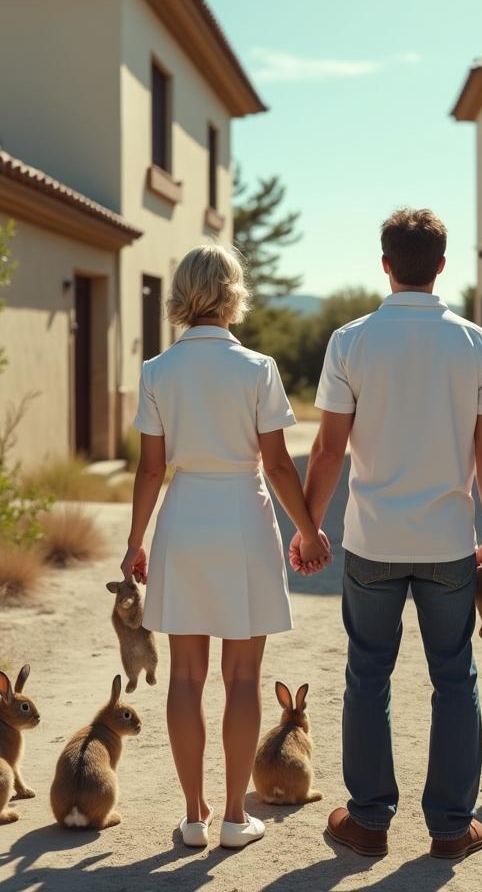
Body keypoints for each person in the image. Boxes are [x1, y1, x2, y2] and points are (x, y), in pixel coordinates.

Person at [290, 208, 482, 861]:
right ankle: (450, 827)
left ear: (384, 263)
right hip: (448, 543)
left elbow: (328, 451)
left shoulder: (350, 341)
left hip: (372, 543)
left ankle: (367, 823)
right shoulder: (478, 344)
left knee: (367, 676)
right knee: (456, 678)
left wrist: (308, 530)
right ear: (442, 265)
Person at [121, 244, 328, 851]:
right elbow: (277, 465)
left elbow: (149, 470)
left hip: (183, 521)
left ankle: (193, 816)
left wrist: (135, 541)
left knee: (185, 676)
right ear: (234, 294)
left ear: (182, 297)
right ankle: (237, 817)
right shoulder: (258, 368)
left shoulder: (157, 370)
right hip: (243, 517)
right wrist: (309, 529)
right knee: (243, 677)